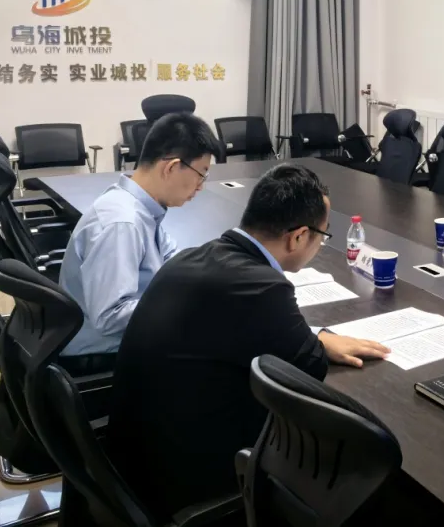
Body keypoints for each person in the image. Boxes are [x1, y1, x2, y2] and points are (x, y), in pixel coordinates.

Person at [106, 164, 390, 521]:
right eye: (323, 235)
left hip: (129, 465)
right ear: (299, 237)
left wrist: (316, 336)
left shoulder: (196, 256)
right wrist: (318, 343)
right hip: (181, 488)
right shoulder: (261, 285)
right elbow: (307, 365)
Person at [58, 112, 220, 371]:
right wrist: (184, 306)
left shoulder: (139, 206)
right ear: (171, 167)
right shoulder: (122, 224)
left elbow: (172, 258)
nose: (201, 186)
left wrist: (216, 277)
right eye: (201, 174)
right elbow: (110, 317)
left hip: (124, 337)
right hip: (103, 355)